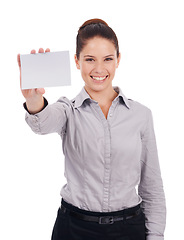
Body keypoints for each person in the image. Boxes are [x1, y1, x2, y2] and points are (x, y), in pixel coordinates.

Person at [17, 18, 166, 240]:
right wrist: (34, 99)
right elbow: (43, 122)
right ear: (77, 62)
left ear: (118, 60)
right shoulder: (68, 110)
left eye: (107, 59)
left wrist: (155, 236)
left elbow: (152, 187)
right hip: (74, 229)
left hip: (128, 230)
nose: (99, 69)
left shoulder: (141, 115)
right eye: (89, 59)